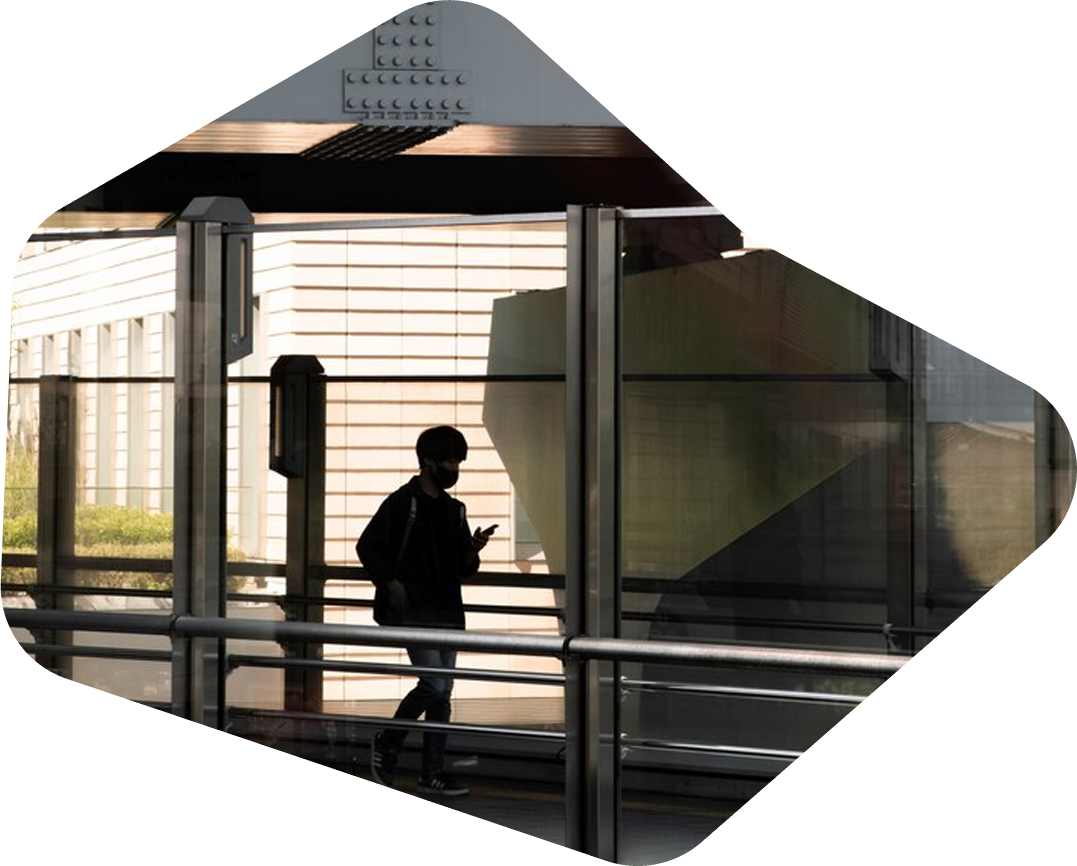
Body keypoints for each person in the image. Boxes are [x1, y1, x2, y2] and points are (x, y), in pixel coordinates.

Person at [355, 425, 495, 796]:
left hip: (447, 608)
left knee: (442, 692)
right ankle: (388, 740)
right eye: (449, 461)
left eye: (458, 461)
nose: (455, 468)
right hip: (415, 609)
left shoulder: (454, 510)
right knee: (435, 683)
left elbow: (462, 567)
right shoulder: (404, 502)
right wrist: (390, 581)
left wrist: (474, 547)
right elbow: (367, 546)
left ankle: (431, 772)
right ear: (428, 461)